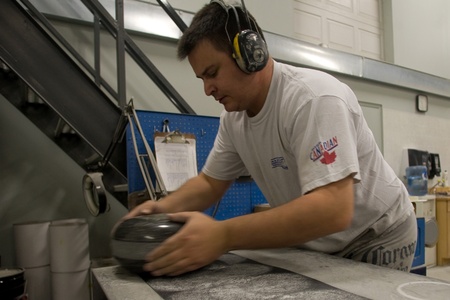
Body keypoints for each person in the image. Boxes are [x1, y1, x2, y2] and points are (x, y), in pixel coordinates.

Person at [125, 0, 417, 276]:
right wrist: (161, 209)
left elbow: (332, 210)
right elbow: (210, 183)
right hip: (325, 242)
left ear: (251, 54)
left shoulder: (312, 99)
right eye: (202, 78)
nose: (208, 89)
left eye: (212, 73)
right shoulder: (234, 119)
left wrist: (223, 235)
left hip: (376, 234)